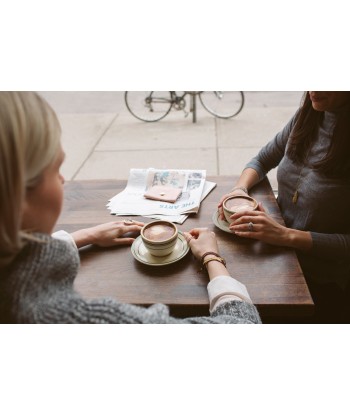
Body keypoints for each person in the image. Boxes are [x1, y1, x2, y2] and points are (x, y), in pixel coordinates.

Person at [0, 92, 260, 324]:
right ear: (16, 196)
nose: (63, 179)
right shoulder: (63, 317)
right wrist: (212, 258)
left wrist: (84, 236)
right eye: (55, 168)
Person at [218, 91, 350, 323]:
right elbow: (261, 160)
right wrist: (239, 190)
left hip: (322, 282)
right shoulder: (308, 115)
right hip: (277, 255)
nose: (313, 91)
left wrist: (286, 235)